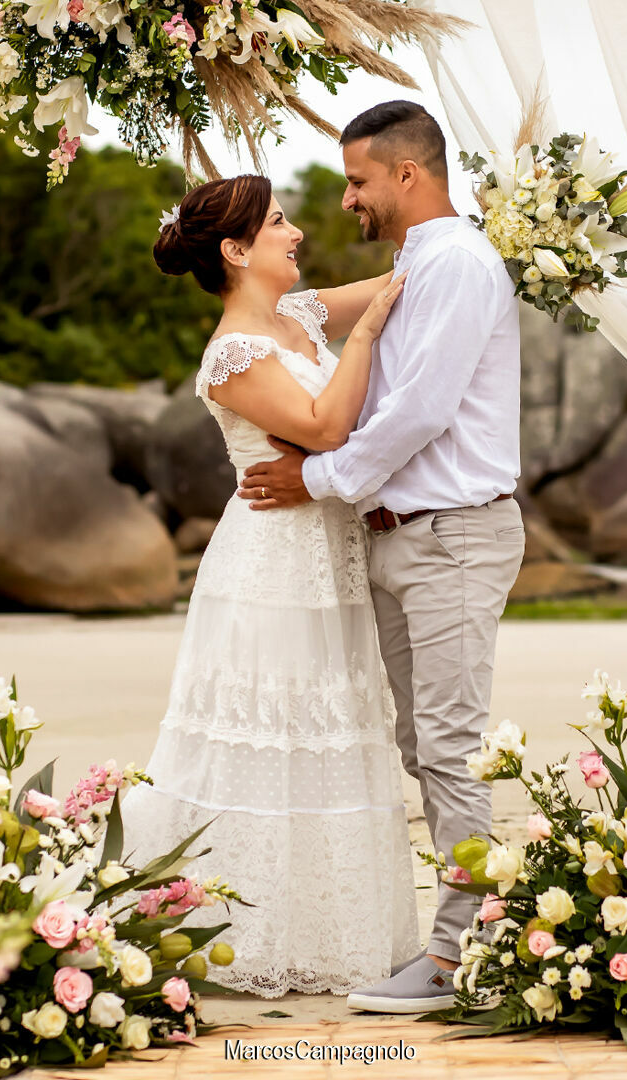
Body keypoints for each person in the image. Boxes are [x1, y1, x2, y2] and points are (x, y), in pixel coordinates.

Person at [238, 101, 524, 1013]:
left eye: (358, 180)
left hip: (454, 536)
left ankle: (459, 958)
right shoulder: (413, 266)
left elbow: (418, 413)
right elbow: (310, 327)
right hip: (405, 536)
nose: (347, 198)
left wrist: (317, 479)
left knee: (446, 747)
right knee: (422, 743)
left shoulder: (459, 266)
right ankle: (471, 940)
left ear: (408, 174)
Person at [118, 173, 419, 997]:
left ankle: (327, 937)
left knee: (331, 733)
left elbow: (403, 276)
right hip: (272, 567)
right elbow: (323, 428)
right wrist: (365, 342)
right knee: (274, 738)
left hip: (330, 557)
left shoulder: (301, 315)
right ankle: (240, 933)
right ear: (235, 250)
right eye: (279, 223)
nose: (295, 233)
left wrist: (512, 227)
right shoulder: (232, 354)